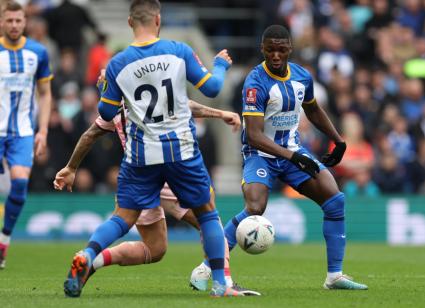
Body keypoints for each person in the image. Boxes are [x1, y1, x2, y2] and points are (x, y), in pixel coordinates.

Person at [62, 0, 248, 298]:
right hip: (181, 151)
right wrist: (220, 66)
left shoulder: (119, 64)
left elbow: (106, 113)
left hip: (141, 155)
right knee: (207, 214)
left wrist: (109, 86)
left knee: (122, 218)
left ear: (129, 22)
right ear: (158, 20)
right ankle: (221, 284)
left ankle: (88, 253)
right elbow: (213, 89)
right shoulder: (178, 51)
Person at [190, 25, 367, 291]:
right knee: (255, 207)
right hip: (260, 154)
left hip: (292, 152)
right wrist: (294, 157)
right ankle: (207, 267)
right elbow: (254, 135)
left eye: (281, 50)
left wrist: (338, 139)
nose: (275, 55)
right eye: (270, 50)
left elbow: (314, 109)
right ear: (262, 49)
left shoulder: (301, 77)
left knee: (334, 200)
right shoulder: (255, 82)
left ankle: (335, 276)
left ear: (289, 49)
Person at [53, 88, 249, 292]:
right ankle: (223, 282)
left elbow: (90, 134)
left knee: (153, 248)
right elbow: (191, 101)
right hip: (170, 170)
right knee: (209, 219)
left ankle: (90, 259)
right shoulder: (154, 85)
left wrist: (71, 167)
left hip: (137, 174)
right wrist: (220, 113)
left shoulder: (116, 108)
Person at [0, 1, 52, 269]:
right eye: (9, 21)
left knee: (20, 185)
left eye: (18, 21)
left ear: (25, 22)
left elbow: (45, 94)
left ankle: (3, 242)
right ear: (1, 22)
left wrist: (42, 130)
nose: (14, 25)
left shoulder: (38, 52)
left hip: (21, 132)